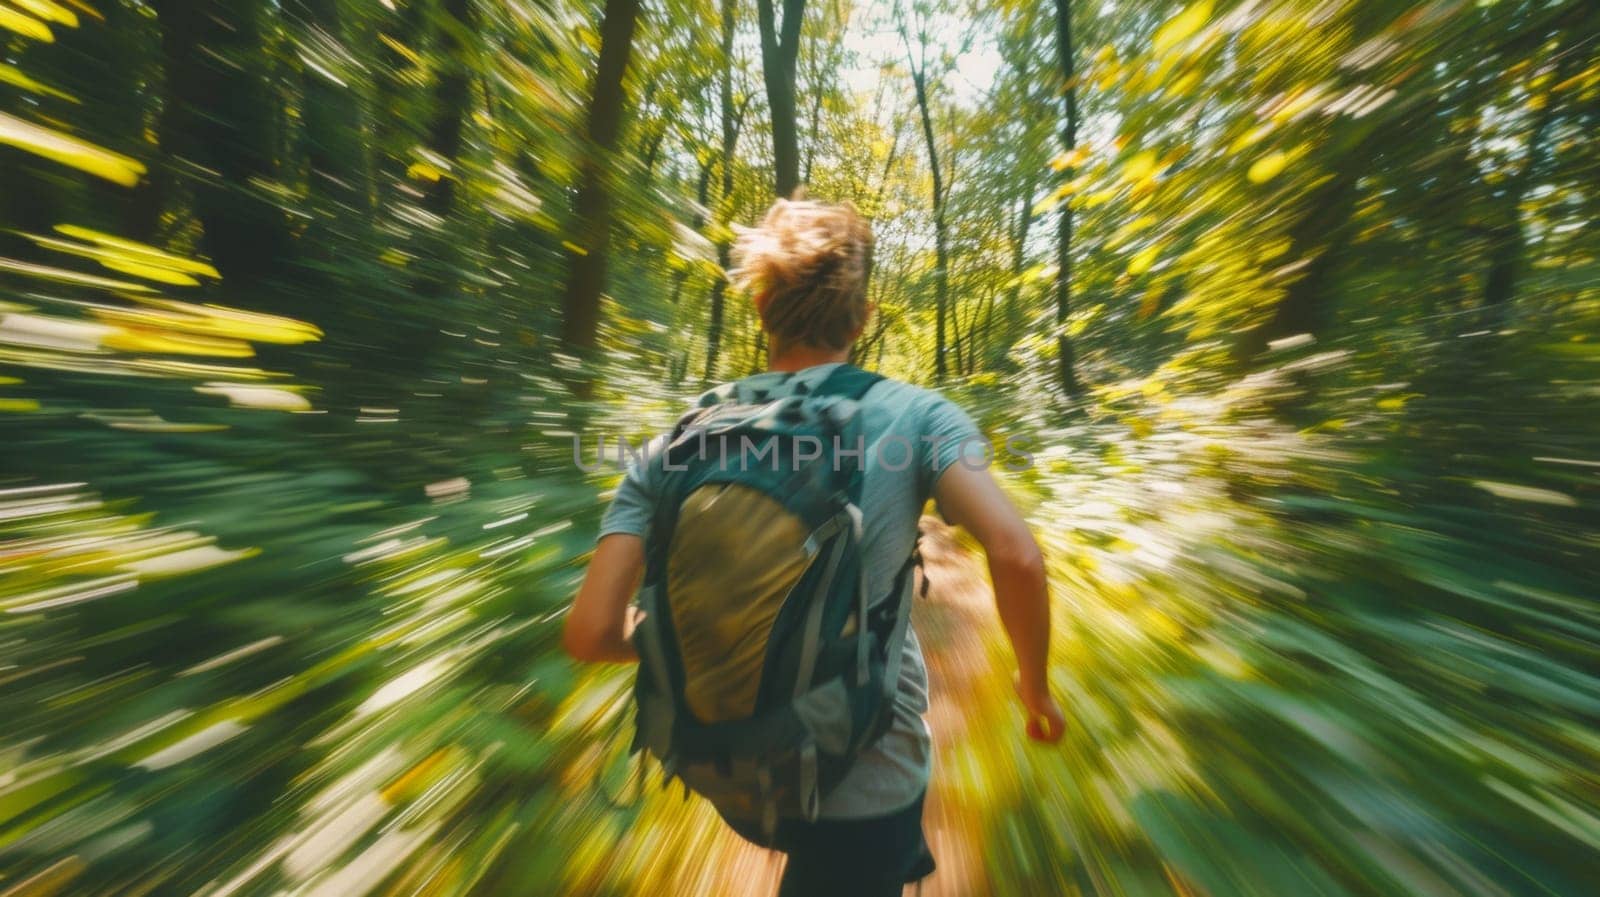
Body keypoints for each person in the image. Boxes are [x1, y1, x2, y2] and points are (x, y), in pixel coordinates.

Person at [563, 196, 1064, 896]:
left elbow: (588, 631)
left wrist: (722, 640)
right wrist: (1033, 685)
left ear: (762, 307)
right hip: (865, 778)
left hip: (726, 764)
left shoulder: (680, 436)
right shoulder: (919, 416)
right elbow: (1016, 554)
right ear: (861, 318)